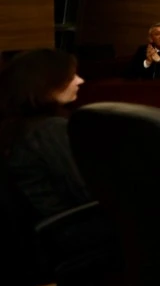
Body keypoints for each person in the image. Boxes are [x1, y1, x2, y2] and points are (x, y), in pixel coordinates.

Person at [0, 49, 115, 262]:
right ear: (45, 83)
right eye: (71, 77)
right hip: (66, 232)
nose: (80, 81)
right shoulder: (49, 129)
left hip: (36, 236)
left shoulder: (15, 125)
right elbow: (85, 192)